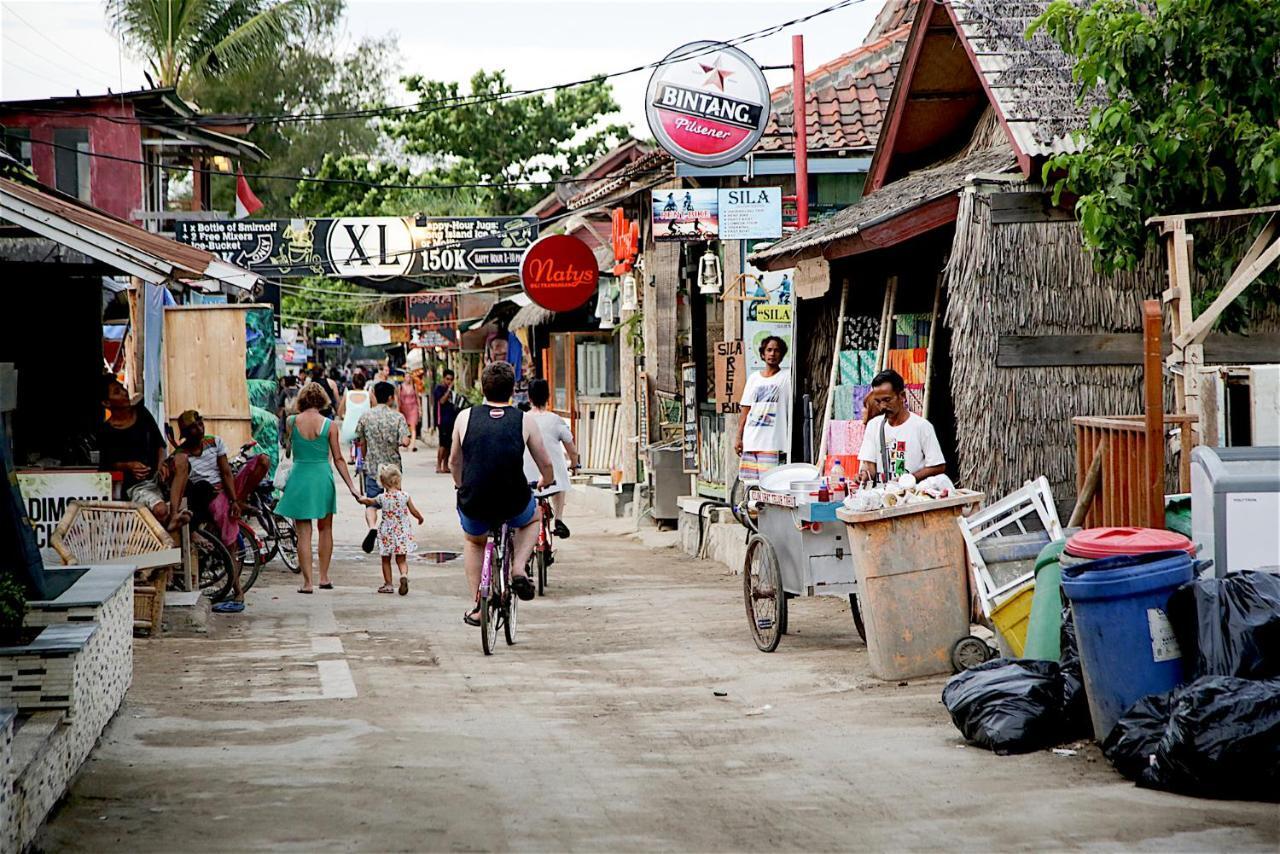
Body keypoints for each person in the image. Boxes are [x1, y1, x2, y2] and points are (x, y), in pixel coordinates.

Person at [451, 362, 555, 625]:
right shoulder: (524, 420)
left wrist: (460, 485)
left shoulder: (464, 417)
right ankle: (519, 567)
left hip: (475, 498)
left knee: (474, 542)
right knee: (533, 519)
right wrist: (546, 481)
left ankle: (478, 604)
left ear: (482, 388)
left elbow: (454, 461)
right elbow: (545, 463)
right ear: (512, 390)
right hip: (513, 498)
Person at [167, 410, 269, 613]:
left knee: (263, 460)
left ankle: (239, 502)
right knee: (229, 543)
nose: (199, 428)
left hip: (228, 489)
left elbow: (225, 472)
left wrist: (234, 500)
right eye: (193, 427)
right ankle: (238, 591)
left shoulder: (215, 442)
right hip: (209, 496)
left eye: (200, 423)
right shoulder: (181, 455)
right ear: (186, 432)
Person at [275, 382, 361, 593]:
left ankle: (307, 583)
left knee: (303, 533)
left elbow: (288, 449)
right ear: (323, 400)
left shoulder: (291, 421)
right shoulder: (330, 425)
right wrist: (352, 488)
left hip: (299, 477)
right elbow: (339, 459)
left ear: (302, 399)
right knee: (326, 529)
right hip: (322, 476)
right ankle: (324, 576)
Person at [96, 376, 185, 529]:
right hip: (137, 487)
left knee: (181, 459)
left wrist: (161, 464)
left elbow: (160, 446)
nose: (124, 392)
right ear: (107, 403)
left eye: (122, 388)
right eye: (117, 392)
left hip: (158, 476)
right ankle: (168, 524)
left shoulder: (142, 413)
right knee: (160, 510)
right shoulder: (106, 431)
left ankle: (175, 514)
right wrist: (128, 466)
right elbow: (106, 465)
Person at [857, 368, 946, 483]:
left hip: (913, 496)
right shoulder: (874, 426)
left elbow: (938, 466)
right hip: (882, 496)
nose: (882, 406)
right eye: (878, 402)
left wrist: (910, 479)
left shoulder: (922, 426)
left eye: (887, 400)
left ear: (902, 396)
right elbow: (869, 465)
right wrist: (864, 475)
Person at [353, 381, 411, 554]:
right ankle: (394, 535)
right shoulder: (398, 417)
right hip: (393, 470)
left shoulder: (365, 416)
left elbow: (360, 441)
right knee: (394, 502)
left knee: (371, 503)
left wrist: (362, 460)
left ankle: (372, 527)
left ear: (374, 396)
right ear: (391, 398)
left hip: (372, 466)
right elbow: (406, 441)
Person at [522, 378, 578, 538]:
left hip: (527, 476)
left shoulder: (522, 419)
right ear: (548, 397)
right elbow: (572, 451)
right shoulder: (555, 420)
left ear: (529, 398)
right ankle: (559, 519)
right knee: (560, 480)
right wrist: (574, 464)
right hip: (552, 476)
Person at [357, 464, 423, 595]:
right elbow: (413, 510)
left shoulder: (382, 497)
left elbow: (370, 502)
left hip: (386, 532)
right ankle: (403, 575)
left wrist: (362, 500)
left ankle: (388, 584)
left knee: (385, 559)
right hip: (402, 531)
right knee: (401, 558)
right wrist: (420, 517)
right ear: (398, 481)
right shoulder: (405, 496)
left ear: (383, 483)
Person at [735, 336, 792, 482]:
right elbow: (746, 409)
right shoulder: (754, 378)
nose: (772, 354)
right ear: (762, 354)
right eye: (769, 350)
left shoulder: (787, 377)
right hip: (751, 440)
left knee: (770, 484)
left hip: (772, 443)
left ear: (782, 354)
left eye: (776, 350)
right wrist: (739, 437)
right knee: (750, 486)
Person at [338, 371, 371, 463]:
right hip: (365, 429)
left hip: (348, 430)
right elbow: (375, 410)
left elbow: (339, 412)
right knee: (365, 438)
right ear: (364, 384)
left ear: (353, 384)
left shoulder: (347, 395)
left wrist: (343, 417)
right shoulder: (369, 395)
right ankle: (364, 457)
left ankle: (351, 456)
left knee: (352, 438)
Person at [397, 372, 421, 452]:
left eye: (409, 377)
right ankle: (407, 442)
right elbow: (398, 399)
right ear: (404, 378)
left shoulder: (414, 386)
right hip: (404, 409)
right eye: (407, 377)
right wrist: (398, 409)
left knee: (413, 426)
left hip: (413, 408)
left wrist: (420, 409)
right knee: (405, 427)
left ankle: (412, 444)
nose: (408, 378)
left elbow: (417, 397)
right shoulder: (400, 387)